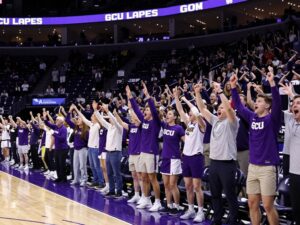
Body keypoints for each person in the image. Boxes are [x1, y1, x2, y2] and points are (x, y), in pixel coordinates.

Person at [230, 69, 281, 225]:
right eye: (256, 101)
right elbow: (238, 105)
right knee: (252, 203)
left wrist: (272, 83)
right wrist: (233, 87)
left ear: (267, 106)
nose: (256, 103)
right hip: (253, 166)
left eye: (259, 101)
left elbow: (278, 103)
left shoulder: (273, 120)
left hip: (267, 167)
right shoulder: (252, 117)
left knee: (267, 205)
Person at [195, 82, 239, 225]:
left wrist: (220, 92)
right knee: (215, 195)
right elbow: (201, 108)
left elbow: (230, 110)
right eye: (218, 107)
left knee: (230, 195)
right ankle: (217, 219)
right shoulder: (215, 121)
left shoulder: (233, 122)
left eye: (222, 107)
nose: (219, 109)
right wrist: (197, 93)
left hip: (227, 164)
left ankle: (232, 221)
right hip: (214, 163)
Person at [173, 86, 206, 221]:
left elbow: (197, 112)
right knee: (188, 185)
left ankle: (201, 212)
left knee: (197, 186)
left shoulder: (201, 125)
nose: (189, 114)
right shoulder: (189, 125)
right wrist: (176, 96)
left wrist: (187, 100)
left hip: (196, 157)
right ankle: (191, 209)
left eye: (191, 113)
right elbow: (180, 110)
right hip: (186, 157)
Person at [128, 82, 162, 211]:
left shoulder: (156, 122)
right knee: (143, 177)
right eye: (145, 109)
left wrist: (147, 95)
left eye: (147, 109)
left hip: (151, 152)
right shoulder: (144, 121)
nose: (145, 111)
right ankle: (146, 199)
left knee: (153, 178)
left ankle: (157, 202)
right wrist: (130, 97)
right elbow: (137, 110)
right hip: (142, 152)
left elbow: (153, 108)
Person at [113, 101, 142, 204]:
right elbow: (121, 123)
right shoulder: (131, 126)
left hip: (138, 154)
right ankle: (137, 195)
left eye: (133, 117)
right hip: (131, 154)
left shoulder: (140, 126)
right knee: (134, 175)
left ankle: (143, 196)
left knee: (139, 176)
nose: (132, 118)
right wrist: (116, 114)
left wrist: (130, 109)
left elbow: (137, 118)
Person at [93, 101, 123, 198]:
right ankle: (111, 190)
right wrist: (95, 110)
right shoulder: (109, 127)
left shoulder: (120, 128)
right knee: (109, 173)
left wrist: (108, 111)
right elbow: (101, 120)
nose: (109, 119)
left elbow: (114, 120)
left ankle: (119, 191)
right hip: (108, 152)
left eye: (110, 118)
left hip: (115, 153)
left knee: (116, 173)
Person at [73, 104, 105, 188]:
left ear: (96, 118)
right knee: (92, 166)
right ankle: (95, 180)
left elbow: (101, 119)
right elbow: (83, 118)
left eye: (93, 115)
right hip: (90, 148)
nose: (91, 116)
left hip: (95, 148)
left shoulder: (98, 125)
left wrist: (96, 110)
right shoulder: (91, 124)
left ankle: (101, 182)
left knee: (97, 166)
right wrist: (76, 109)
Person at [66, 105, 89, 187]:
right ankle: (76, 179)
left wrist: (84, 146)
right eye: (77, 119)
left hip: (83, 149)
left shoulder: (86, 130)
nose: (77, 120)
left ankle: (84, 179)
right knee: (75, 165)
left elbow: (88, 141)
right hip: (76, 149)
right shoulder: (75, 128)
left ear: (83, 121)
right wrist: (69, 111)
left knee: (82, 166)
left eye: (79, 119)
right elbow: (67, 120)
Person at [43, 112, 68, 183]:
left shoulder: (64, 129)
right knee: (57, 164)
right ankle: (59, 177)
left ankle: (64, 179)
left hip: (63, 149)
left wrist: (54, 134)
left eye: (57, 120)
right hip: (57, 148)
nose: (56, 121)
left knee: (61, 164)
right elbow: (48, 124)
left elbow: (62, 139)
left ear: (61, 122)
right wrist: (45, 118)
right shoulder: (56, 127)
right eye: (56, 120)